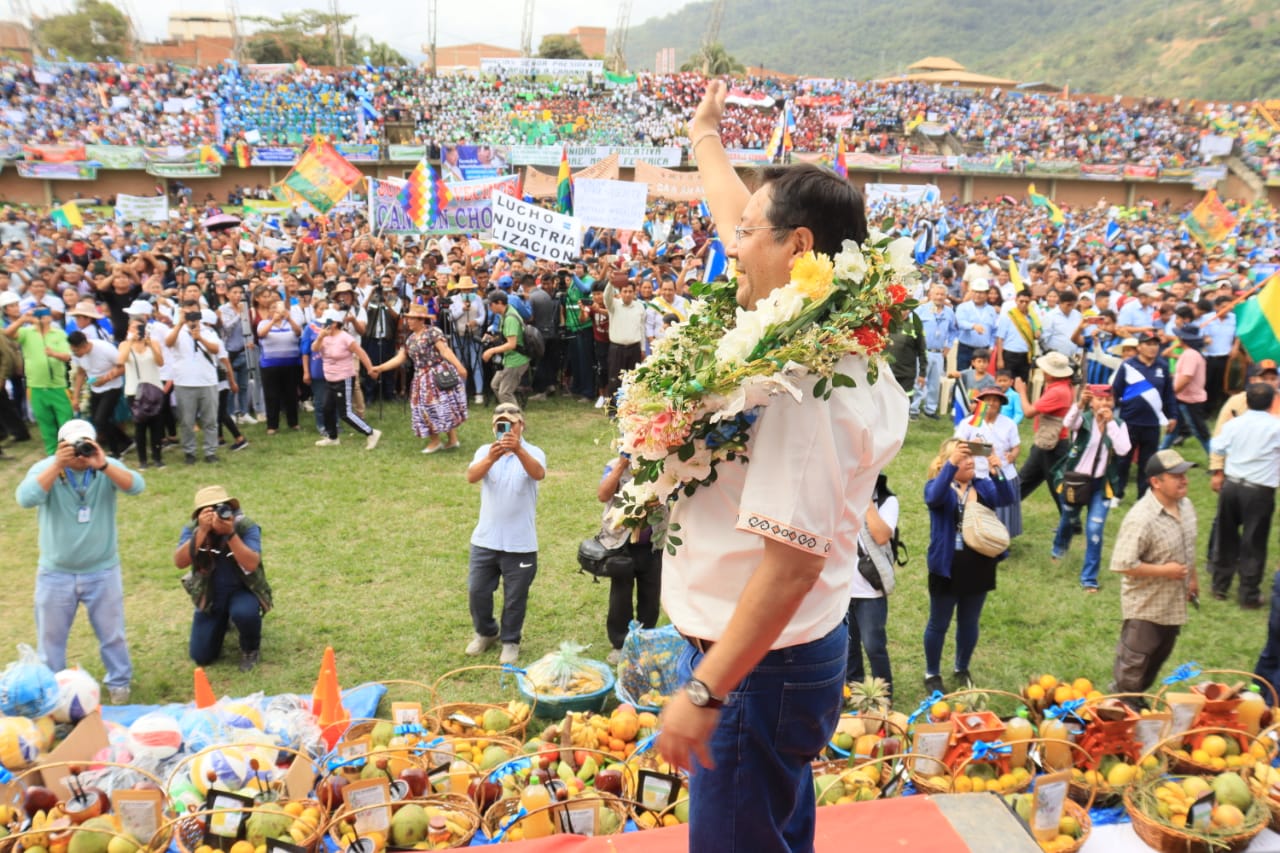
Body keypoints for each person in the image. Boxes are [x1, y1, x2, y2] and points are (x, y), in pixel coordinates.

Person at [655, 81, 908, 853]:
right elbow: (737, 213)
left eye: (749, 234)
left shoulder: (812, 384)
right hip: (776, 656)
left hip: (759, 665)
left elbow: (791, 565)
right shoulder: (816, 319)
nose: (730, 241)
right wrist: (705, 137)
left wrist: (706, 688)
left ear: (799, 247)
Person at [14, 420, 144, 704]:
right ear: (61, 446)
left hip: (102, 569)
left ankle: (119, 684)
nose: (80, 453)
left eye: (85, 444)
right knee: (50, 641)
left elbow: (137, 486)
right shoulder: (47, 468)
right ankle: (52, 692)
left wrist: (104, 464)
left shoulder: (104, 466)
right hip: (55, 573)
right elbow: (25, 498)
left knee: (113, 635)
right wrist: (56, 466)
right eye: (73, 446)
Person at [922, 439, 1015, 694]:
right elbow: (933, 498)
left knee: (969, 622)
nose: (970, 461)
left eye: (971, 457)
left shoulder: (983, 486)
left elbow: (1007, 498)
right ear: (949, 463)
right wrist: (950, 467)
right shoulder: (937, 486)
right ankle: (932, 673)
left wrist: (998, 472)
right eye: (963, 457)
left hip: (979, 565)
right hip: (946, 567)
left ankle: (961, 668)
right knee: (938, 623)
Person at [1108, 450, 1198, 696]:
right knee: (1134, 665)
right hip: (1146, 607)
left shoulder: (1186, 506)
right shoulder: (1141, 518)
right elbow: (1122, 563)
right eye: (1176, 476)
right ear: (1156, 482)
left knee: (1157, 659)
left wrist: (1192, 579)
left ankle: (1136, 701)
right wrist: (1165, 571)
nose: (1184, 480)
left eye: (1185, 474)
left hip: (1173, 604)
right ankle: (1121, 706)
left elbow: (1188, 546)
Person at [464, 404, 546, 665]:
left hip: (521, 544)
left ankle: (510, 641)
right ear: (493, 428)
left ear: (521, 425)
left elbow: (538, 473)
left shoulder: (533, 452)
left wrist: (518, 449)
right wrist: (491, 458)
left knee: (515, 598)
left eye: (511, 424)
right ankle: (486, 632)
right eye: (500, 425)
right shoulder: (483, 451)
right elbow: (471, 477)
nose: (506, 429)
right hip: (485, 540)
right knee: (477, 591)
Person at [173, 485, 270, 672]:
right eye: (209, 510)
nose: (216, 514)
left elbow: (251, 564)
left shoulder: (244, 526)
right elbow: (179, 562)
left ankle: (250, 648)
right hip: (211, 594)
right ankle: (224, 620)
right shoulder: (193, 529)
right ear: (199, 514)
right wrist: (201, 532)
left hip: (242, 589)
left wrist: (230, 534)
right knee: (201, 656)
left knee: (244, 613)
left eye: (221, 507)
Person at [1050, 385, 1132, 591]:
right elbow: (1068, 423)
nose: (1104, 404)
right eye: (1099, 399)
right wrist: (1079, 404)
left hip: (1100, 485)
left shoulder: (1118, 424)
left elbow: (1124, 450)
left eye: (1108, 400)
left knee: (1094, 529)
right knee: (1068, 519)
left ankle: (1089, 579)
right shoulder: (1083, 418)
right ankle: (1059, 549)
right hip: (1075, 481)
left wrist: (1110, 423)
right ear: (1092, 401)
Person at [1208, 383, 1280, 608]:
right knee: (1254, 541)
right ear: (1272, 403)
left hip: (1232, 486)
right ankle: (1248, 593)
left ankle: (1220, 586)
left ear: (1246, 401)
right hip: (1259, 489)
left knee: (1225, 535)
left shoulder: (1234, 424)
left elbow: (1218, 447)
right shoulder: (1276, 427)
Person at [370, 303, 469, 453]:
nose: (408, 321)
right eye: (408, 318)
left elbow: (445, 350)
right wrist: (380, 368)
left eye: (412, 319)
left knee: (442, 407)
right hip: (421, 378)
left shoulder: (433, 332)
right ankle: (438, 440)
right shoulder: (410, 339)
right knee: (427, 408)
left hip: (437, 374)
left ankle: (445, 440)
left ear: (421, 320)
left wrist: (459, 366)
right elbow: (400, 358)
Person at [597, 453, 664, 665]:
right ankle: (620, 644)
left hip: (653, 543)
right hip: (621, 544)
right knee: (620, 597)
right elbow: (602, 494)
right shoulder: (613, 465)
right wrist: (621, 466)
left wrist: (661, 499)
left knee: (650, 597)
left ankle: (644, 641)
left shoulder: (663, 464)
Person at [846, 474, 899, 696]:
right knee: (848, 646)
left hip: (870, 590)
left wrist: (864, 500)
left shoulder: (887, 501)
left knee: (874, 646)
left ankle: (883, 695)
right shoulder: (842, 499)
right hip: (843, 588)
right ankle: (853, 689)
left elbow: (881, 535)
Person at [1112, 332, 1178, 499]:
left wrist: (1173, 415)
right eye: (1148, 344)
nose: (1152, 347)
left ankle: (1143, 496)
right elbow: (1115, 391)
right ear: (1139, 347)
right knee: (1123, 460)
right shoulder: (1128, 366)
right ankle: (1117, 493)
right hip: (1130, 421)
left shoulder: (1162, 367)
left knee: (1147, 463)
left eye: (1155, 344)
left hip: (1152, 423)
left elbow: (1168, 394)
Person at [4, 304, 73, 453]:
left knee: (65, 420)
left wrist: (54, 354)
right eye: (37, 315)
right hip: (35, 386)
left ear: (50, 317)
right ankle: (52, 452)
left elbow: (68, 356)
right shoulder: (26, 332)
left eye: (44, 314)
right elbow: (8, 333)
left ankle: (69, 450)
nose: (41, 318)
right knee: (45, 421)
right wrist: (23, 319)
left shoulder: (59, 334)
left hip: (58, 385)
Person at [954, 385, 1022, 537]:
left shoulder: (1008, 423)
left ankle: (1002, 538)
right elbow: (957, 443)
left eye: (995, 400)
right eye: (987, 399)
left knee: (1003, 508)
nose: (991, 403)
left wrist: (1013, 455)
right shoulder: (971, 422)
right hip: (976, 474)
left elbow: (1016, 447)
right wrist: (972, 444)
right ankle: (977, 536)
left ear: (1000, 403)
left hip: (1001, 472)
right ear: (981, 402)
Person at [1015, 351, 1076, 512]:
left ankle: (1070, 521)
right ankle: (1070, 520)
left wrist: (1021, 391)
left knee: (1048, 484)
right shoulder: (1062, 386)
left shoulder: (1057, 391)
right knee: (1031, 482)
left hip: (1051, 445)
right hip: (1052, 443)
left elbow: (1028, 412)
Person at [164, 300, 223, 465]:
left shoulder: (208, 331)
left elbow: (215, 349)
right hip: (184, 382)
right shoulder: (176, 331)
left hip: (207, 381)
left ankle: (210, 451)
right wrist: (180, 324)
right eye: (187, 312)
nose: (191, 315)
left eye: (194, 312)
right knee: (186, 421)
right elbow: (168, 343)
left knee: (210, 420)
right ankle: (189, 452)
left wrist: (200, 337)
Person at [313, 308, 381, 450]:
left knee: (346, 413)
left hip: (343, 379)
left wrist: (370, 369)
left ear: (333, 323)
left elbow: (361, 353)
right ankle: (332, 437)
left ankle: (371, 432)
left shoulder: (345, 337)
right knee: (327, 408)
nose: (322, 326)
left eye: (325, 323)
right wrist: (320, 337)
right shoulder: (323, 336)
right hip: (329, 379)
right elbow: (314, 349)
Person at [117, 300, 166, 468]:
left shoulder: (154, 343)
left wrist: (150, 344)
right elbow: (121, 361)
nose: (137, 330)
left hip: (154, 388)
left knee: (156, 426)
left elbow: (160, 362)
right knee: (140, 427)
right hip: (134, 390)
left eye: (140, 327)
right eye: (133, 327)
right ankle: (143, 460)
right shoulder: (124, 345)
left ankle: (158, 458)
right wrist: (131, 341)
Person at [68, 330, 131, 458]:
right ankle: (126, 441)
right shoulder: (78, 355)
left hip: (112, 387)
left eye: (76, 351)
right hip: (95, 389)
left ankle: (116, 452)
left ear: (84, 346)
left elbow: (123, 367)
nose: (75, 354)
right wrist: (75, 397)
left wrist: (105, 379)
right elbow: (81, 373)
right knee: (99, 421)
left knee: (101, 419)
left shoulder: (105, 349)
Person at [255, 296, 303, 434]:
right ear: (269, 311)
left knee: (291, 394)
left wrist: (289, 319)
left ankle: (293, 423)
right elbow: (261, 334)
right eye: (273, 308)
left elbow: (298, 332)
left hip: (291, 364)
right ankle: (272, 425)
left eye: (278, 308)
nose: (276, 311)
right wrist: (273, 322)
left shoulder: (290, 323)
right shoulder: (263, 323)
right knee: (272, 395)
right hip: (270, 365)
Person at [1160, 324, 1211, 453]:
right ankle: (1159, 453)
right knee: (1173, 428)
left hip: (1190, 400)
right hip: (1183, 398)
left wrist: (1171, 394)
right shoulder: (1190, 354)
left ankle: (1216, 461)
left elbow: (1187, 378)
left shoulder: (1190, 355)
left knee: (1200, 432)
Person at [912, 283, 957, 419]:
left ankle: (930, 409)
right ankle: (913, 409)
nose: (939, 297)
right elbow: (912, 327)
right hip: (923, 351)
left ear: (945, 296)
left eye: (942, 294)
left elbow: (953, 330)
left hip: (938, 353)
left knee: (934, 382)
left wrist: (948, 346)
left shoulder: (949, 312)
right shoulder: (922, 310)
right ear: (930, 295)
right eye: (936, 294)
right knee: (919, 381)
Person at [601, 271, 645, 407]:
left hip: (634, 348)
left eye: (630, 291)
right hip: (617, 348)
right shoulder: (613, 305)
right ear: (620, 293)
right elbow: (606, 298)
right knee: (614, 380)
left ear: (634, 292)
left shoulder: (640, 306)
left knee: (633, 379)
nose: (627, 294)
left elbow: (642, 329)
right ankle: (613, 409)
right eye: (625, 291)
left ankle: (631, 408)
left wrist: (643, 348)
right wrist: (610, 283)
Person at [481, 291, 529, 407]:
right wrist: (494, 339)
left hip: (516, 361)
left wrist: (491, 351)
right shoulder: (505, 313)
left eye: (491, 304)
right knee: (495, 385)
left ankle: (516, 420)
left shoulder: (510, 319)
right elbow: (507, 338)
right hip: (508, 359)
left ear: (499, 303)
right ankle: (507, 412)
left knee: (505, 393)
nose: (489, 307)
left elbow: (511, 344)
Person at [954, 280, 996, 370]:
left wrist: (991, 346)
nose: (978, 295)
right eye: (976, 292)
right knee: (962, 375)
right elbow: (960, 323)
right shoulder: (963, 307)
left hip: (983, 349)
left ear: (987, 294)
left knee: (980, 376)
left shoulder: (991, 310)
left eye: (981, 292)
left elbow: (994, 330)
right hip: (965, 348)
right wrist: (973, 326)